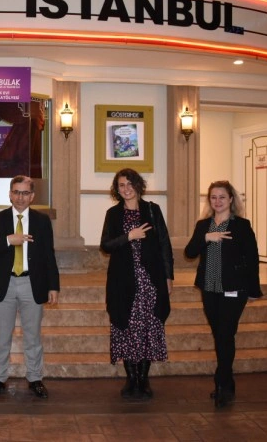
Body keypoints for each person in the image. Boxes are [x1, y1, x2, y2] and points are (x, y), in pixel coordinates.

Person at [0, 175, 60, 399]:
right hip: (4, 285)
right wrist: (8, 240)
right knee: (1, 337)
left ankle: (35, 378)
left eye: (25, 193)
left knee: (33, 337)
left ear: (32, 196)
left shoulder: (42, 221)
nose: (20, 197)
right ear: (10, 194)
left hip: (32, 283)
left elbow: (49, 255)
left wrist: (53, 286)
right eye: (16, 192)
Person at [184, 180, 262, 408]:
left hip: (233, 289)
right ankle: (226, 381)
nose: (217, 201)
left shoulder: (241, 226)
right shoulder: (203, 225)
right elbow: (189, 252)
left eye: (222, 197)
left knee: (226, 335)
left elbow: (252, 259)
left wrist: (254, 290)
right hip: (209, 288)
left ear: (231, 200)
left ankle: (223, 385)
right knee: (219, 334)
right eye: (213, 197)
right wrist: (206, 238)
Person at [100, 168, 173, 400]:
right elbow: (105, 245)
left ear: (138, 185)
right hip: (123, 281)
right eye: (121, 185)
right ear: (117, 189)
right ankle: (131, 378)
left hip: (150, 281)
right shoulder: (113, 214)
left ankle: (144, 379)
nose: (126, 189)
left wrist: (168, 277)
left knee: (148, 328)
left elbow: (164, 245)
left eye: (130, 184)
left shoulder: (152, 210)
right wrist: (128, 237)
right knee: (127, 328)